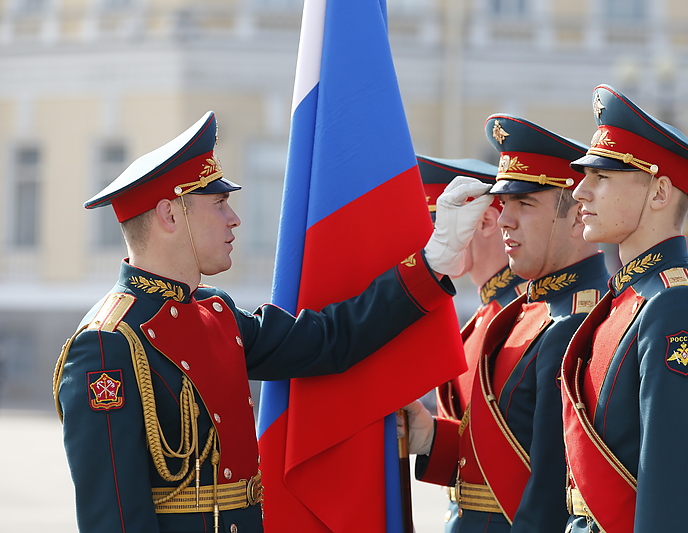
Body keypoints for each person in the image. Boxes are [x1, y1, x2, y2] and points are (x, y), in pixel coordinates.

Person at [53, 111, 492, 533]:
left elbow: (330, 339)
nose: (234, 218)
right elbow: (114, 520)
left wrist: (433, 261)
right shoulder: (109, 344)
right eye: (220, 203)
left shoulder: (215, 314)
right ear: (171, 215)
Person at [406, 115, 609, 532]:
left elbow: (553, 486)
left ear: (577, 217)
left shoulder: (574, 319)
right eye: (504, 204)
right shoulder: (521, 314)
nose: (504, 220)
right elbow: (495, 453)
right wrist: (431, 438)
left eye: (524, 203)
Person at [561, 84, 688, 533]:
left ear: (659, 193)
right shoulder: (633, 295)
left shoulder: (677, 304)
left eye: (601, 177)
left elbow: (678, 493)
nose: (580, 192)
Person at [416, 154, 527, 418]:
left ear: (485, 222)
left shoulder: (519, 314)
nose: (427, 247)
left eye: (440, 228)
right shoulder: (487, 314)